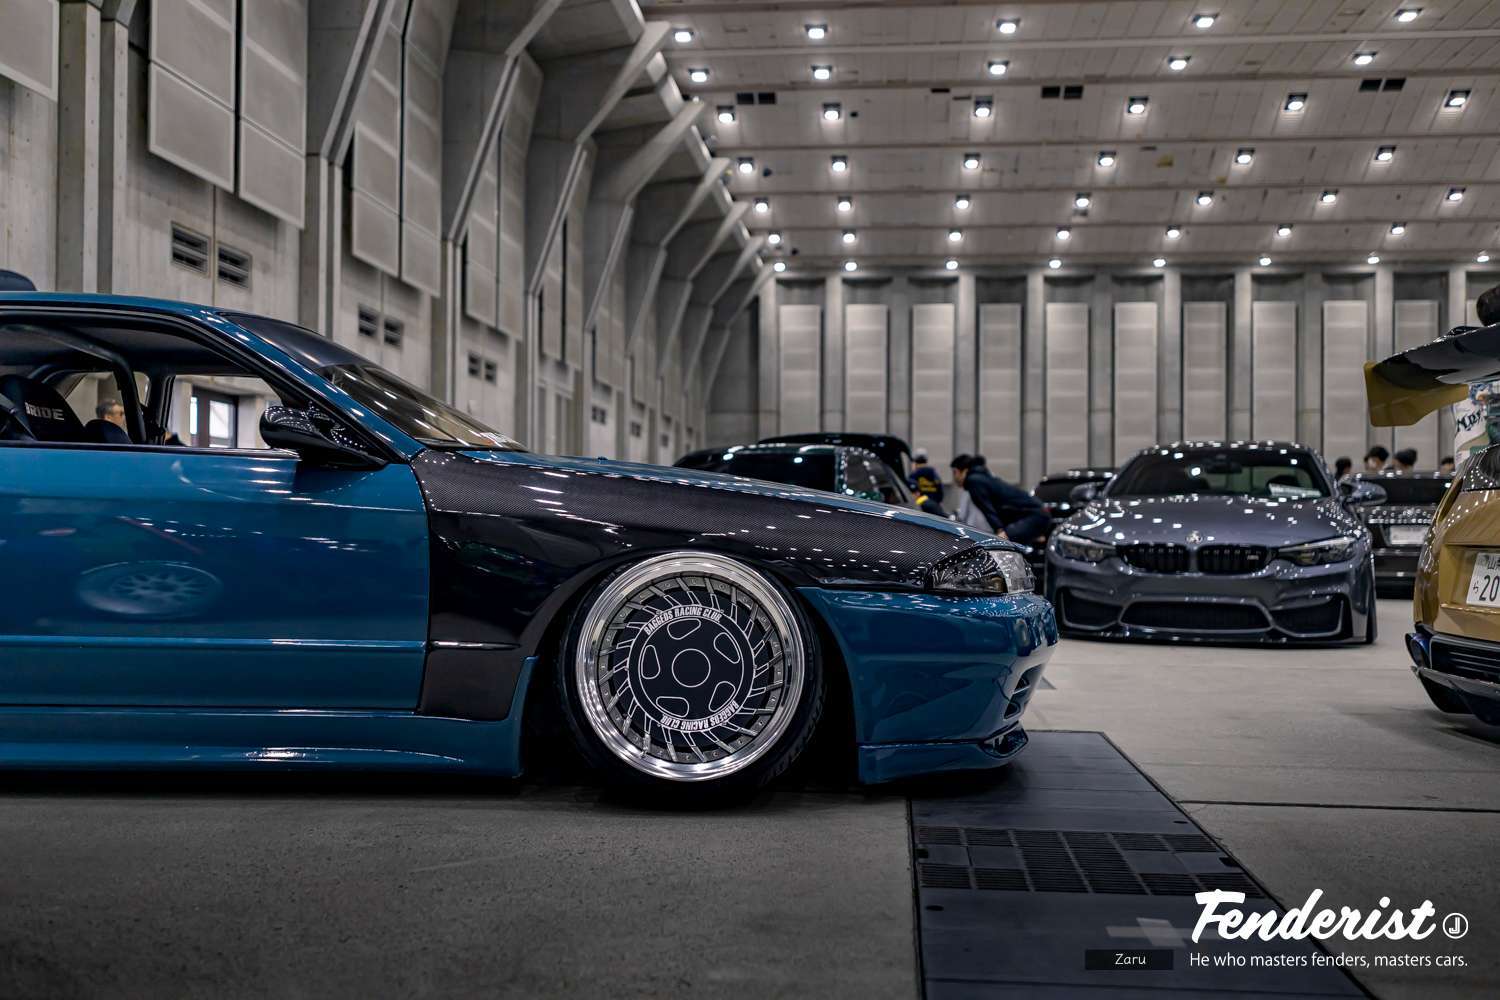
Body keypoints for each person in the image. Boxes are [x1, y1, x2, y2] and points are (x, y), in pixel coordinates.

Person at [950, 453, 1049, 544]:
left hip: (1033, 516)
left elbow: (987, 509)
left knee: (1002, 543)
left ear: (965, 470)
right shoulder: (982, 477)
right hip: (1036, 514)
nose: (954, 477)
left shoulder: (974, 481)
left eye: (955, 472)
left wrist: (999, 530)